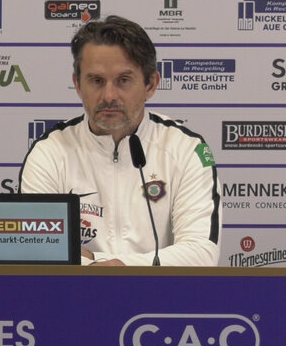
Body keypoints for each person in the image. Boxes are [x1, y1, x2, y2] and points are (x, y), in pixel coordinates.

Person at [19, 16, 221, 266]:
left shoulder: (186, 150)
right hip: (74, 291)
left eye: (123, 80)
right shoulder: (49, 152)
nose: (109, 95)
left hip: (158, 292)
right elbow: (38, 254)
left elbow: (201, 254)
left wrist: (108, 263)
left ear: (151, 85)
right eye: (96, 81)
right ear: (77, 85)